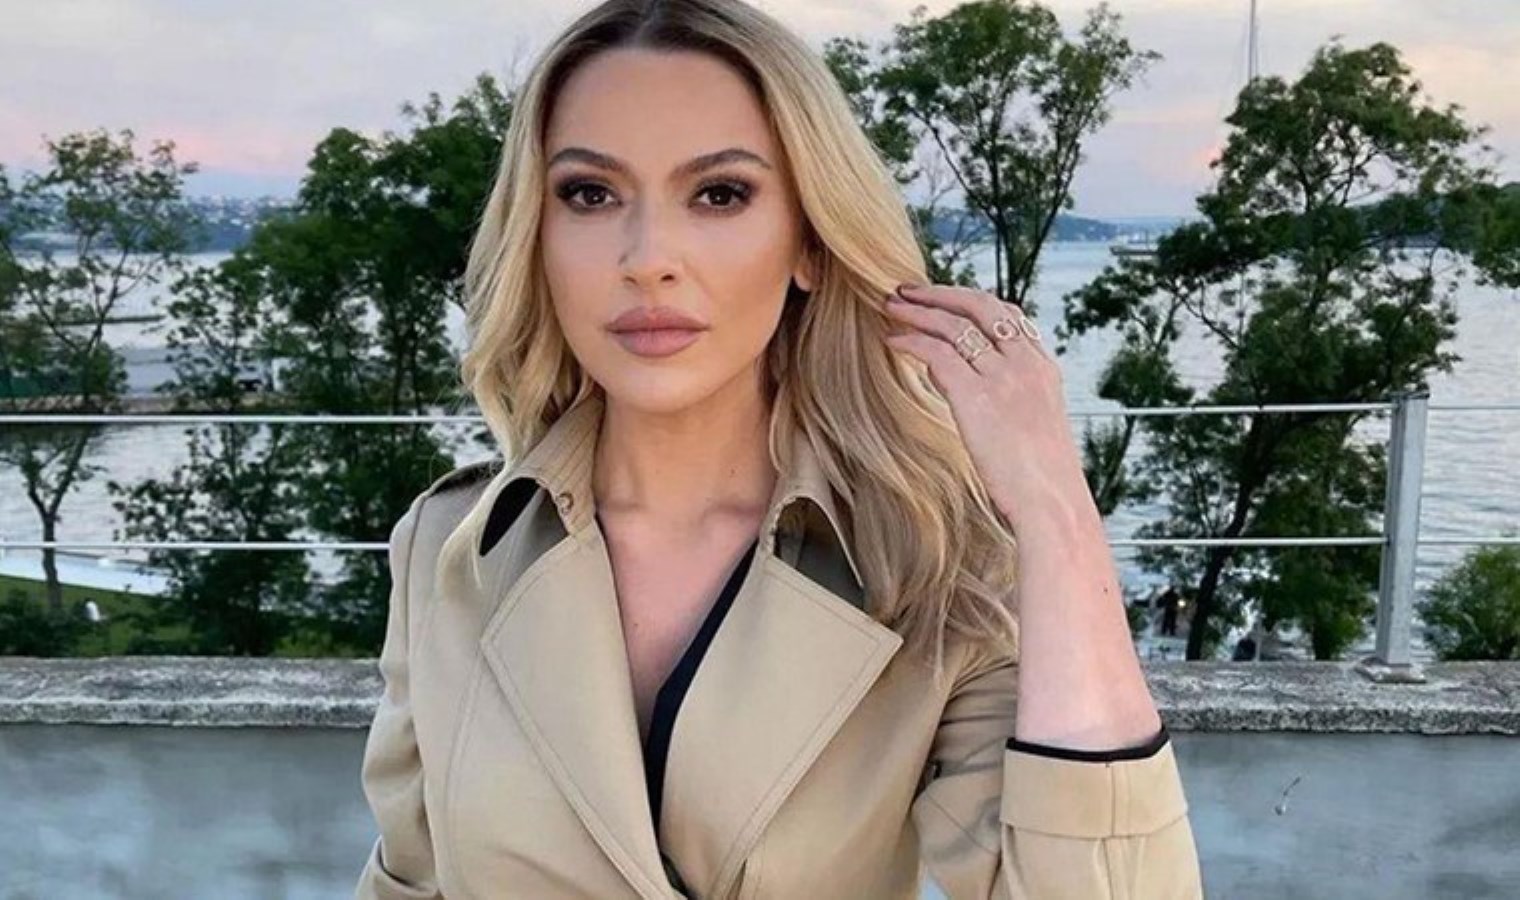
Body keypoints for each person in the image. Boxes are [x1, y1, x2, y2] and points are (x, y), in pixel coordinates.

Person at [355, 1, 1203, 897]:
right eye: (591, 194)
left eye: (719, 194)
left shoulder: (931, 563)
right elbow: (408, 881)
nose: (649, 257)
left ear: (807, 242)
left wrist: (1055, 507)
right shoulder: (449, 551)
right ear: (538, 233)